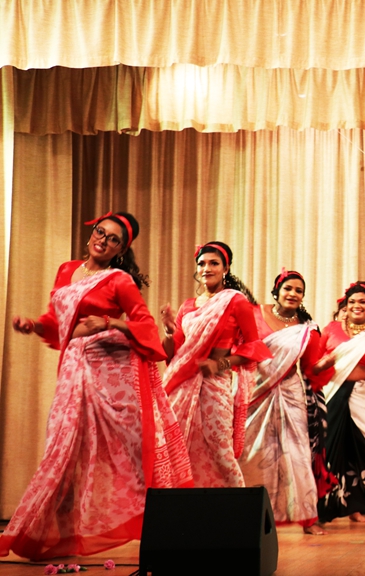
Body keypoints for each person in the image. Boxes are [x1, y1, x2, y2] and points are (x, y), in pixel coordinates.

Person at [0, 212, 191, 560]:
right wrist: (33, 325)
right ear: (91, 234)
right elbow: (57, 323)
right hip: (74, 370)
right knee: (62, 449)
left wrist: (108, 322)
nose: (103, 240)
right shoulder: (67, 270)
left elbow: (144, 326)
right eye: (100, 232)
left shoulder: (119, 280)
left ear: (121, 250)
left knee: (131, 451)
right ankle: (56, 536)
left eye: (113, 239)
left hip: (112, 373)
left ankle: (165, 526)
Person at [161, 242, 272, 488]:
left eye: (214, 263)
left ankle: (239, 506)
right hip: (183, 384)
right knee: (179, 448)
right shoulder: (187, 306)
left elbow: (253, 348)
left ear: (226, 268)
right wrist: (169, 330)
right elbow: (173, 354)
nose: (207, 268)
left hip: (215, 384)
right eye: (201, 264)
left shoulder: (235, 301)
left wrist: (219, 364)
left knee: (221, 450)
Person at [239, 269, 331, 535]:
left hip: (289, 393)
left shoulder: (307, 330)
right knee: (250, 453)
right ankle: (248, 515)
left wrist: (326, 363)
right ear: (277, 291)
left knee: (297, 454)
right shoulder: (254, 313)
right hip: (254, 391)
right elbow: (240, 349)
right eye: (288, 288)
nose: (293, 294)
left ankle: (308, 518)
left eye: (298, 291)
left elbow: (311, 369)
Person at [314, 281, 365, 529]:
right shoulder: (331, 329)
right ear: (345, 306)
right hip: (334, 394)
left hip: (364, 395)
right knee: (331, 450)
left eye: (362, 302)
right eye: (352, 302)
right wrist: (323, 364)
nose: (356, 306)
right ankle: (328, 508)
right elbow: (314, 366)